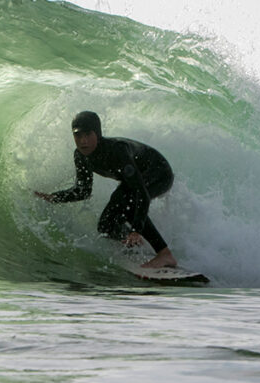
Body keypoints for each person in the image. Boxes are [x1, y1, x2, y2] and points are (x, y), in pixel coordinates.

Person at [34, 111, 178, 269]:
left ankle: (164, 254)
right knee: (105, 225)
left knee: (130, 203)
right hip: (136, 180)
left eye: (88, 135)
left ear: (98, 134)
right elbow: (83, 191)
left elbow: (140, 193)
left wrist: (136, 229)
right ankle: (134, 243)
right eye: (78, 135)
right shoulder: (81, 156)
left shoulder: (116, 151)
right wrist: (55, 197)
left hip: (159, 172)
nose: (83, 141)